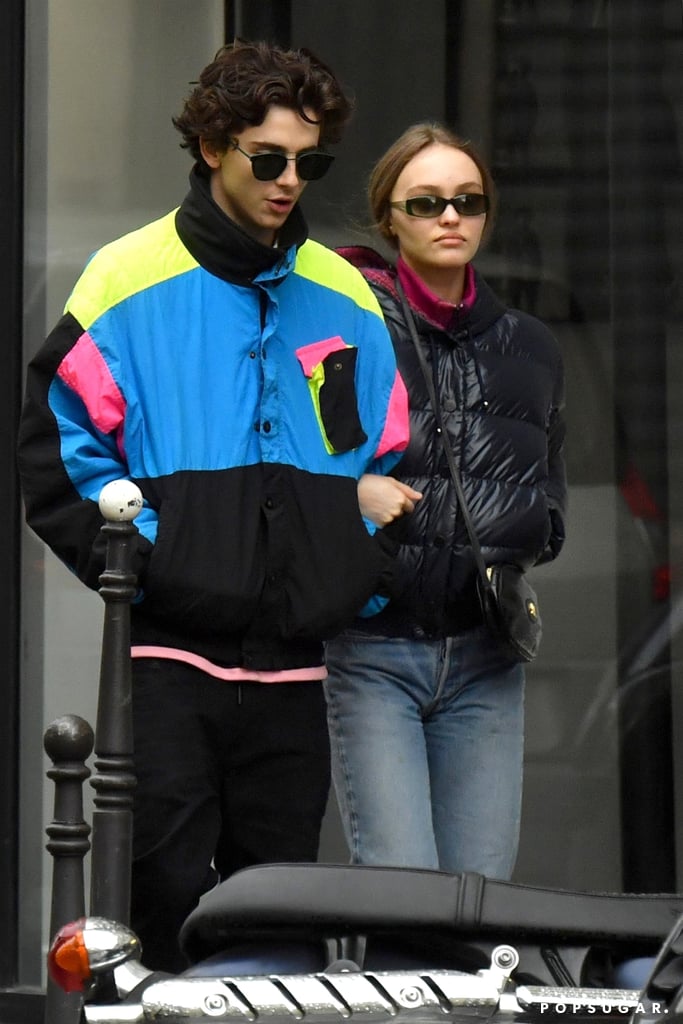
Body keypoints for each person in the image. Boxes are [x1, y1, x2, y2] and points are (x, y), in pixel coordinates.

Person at [17, 40, 411, 971]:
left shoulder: (343, 292)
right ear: (210, 147)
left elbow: (381, 452)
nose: (288, 181)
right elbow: (55, 446)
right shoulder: (125, 277)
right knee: (158, 904)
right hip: (169, 658)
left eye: (308, 164)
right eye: (265, 158)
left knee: (284, 916)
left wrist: (347, 569)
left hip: (294, 666)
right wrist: (148, 559)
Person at [325, 123, 567, 879]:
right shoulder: (347, 330)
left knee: (478, 897)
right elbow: (297, 468)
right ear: (388, 215)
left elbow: (549, 489)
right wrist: (354, 502)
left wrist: (532, 527)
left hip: (485, 652)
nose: (450, 218)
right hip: (373, 647)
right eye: (426, 203)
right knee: (401, 890)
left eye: (468, 201)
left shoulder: (530, 345)